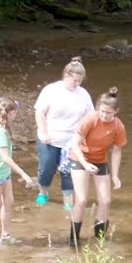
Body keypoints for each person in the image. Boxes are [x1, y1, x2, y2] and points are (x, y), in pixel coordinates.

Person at [65, 87, 127, 247]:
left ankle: (99, 240)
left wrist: (115, 175)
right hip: (80, 157)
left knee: (105, 201)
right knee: (81, 199)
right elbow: (74, 144)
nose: (104, 115)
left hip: (99, 160)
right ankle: (73, 239)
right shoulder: (90, 119)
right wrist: (85, 164)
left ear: (116, 112)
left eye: (108, 113)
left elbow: (116, 151)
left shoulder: (118, 127)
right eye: (102, 111)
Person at [33, 57, 94, 210]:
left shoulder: (83, 94)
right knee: (47, 167)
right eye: (74, 80)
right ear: (66, 76)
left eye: (80, 81)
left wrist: (86, 136)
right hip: (50, 137)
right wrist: (43, 132)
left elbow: (90, 116)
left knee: (67, 171)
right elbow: (39, 112)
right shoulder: (51, 90)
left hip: (72, 140)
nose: (77, 84)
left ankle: (68, 201)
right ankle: (43, 193)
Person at [0, 97, 37, 247]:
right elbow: (5, 157)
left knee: (8, 202)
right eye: (15, 112)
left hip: (3, 172)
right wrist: (23, 174)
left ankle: (5, 235)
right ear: (12, 113)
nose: (16, 115)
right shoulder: (0, 131)